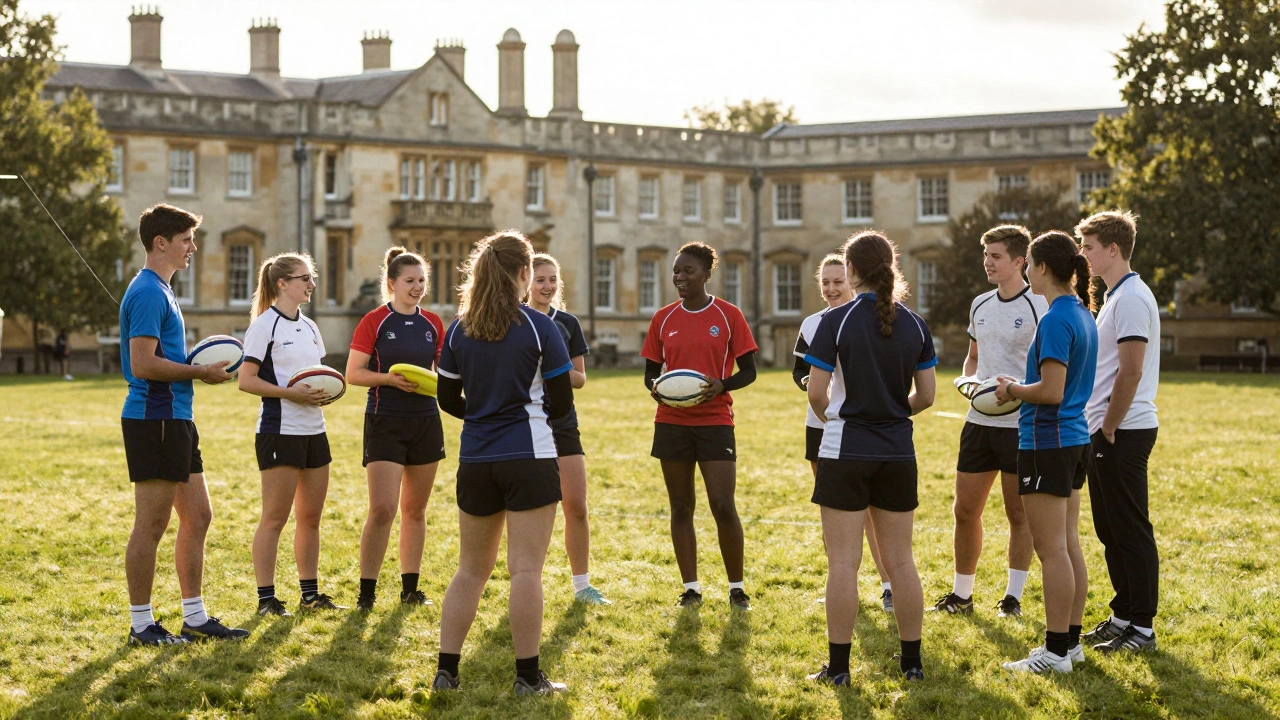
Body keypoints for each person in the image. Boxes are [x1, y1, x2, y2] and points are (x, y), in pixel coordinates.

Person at [431, 231, 574, 696]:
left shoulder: (458, 328)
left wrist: (483, 416)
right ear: (524, 273)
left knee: (470, 570)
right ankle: (528, 678)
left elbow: (448, 397)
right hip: (529, 456)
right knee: (526, 570)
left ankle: (446, 672)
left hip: (476, 458)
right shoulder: (538, 326)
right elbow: (561, 400)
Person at [803, 231, 936, 684]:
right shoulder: (916, 324)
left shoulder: (834, 321)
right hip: (898, 451)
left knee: (843, 562)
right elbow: (928, 396)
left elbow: (816, 393)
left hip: (846, 450)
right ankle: (912, 665)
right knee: (901, 561)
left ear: (852, 270)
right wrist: (894, 413)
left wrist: (840, 417)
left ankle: (838, 670)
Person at [119, 203, 246, 645]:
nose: (193, 247)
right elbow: (143, 363)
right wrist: (200, 372)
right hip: (154, 419)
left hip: (177, 419)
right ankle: (141, 625)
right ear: (161, 243)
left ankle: (194, 617)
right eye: (187, 239)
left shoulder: (162, 289)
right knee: (150, 526)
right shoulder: (150, 292)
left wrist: (196, 373)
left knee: (198, 516)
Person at [995, 230, 1098, 673]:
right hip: (1074, 439)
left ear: (1040, 268)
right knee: (1068, 544)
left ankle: (1056, 653)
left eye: (1030, 264)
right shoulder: (1080, 312)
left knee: (1052, 549)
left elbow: (1052, 391)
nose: (1028, 271)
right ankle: (1069, 644)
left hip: (1048, 441)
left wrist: (1010, 389)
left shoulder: (1056, 318)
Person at [931, 226, 1046, 618]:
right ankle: (962, 595)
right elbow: (973, 359)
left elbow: (1049, 370)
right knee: (965, 511)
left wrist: (1016, 389)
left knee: (1019, 515)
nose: (988, 262)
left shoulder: (1039, 306)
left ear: (1020, 261)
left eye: (996, 256)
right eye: (986, 255)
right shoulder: (980, 304)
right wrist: (969, 383)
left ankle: (1012, 598)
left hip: (1021, 424)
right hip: (979, 423)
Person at [642, 242, 758, 610]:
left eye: (688, 271)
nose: (680, 277)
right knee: (680, 507)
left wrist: (723, 385)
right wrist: (659, 392)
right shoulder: (663, 319)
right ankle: (691, 589)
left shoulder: (728, 315)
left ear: (707, 274)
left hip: (715, 422)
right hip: (672, 422)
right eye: (676, 271)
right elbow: (650, 375)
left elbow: (750, 371)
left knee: (723, 505)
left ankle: (736, 588)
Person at [238, 252, 343, 616]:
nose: (312, 284)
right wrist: (291, 394)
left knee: (310, 518)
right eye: (305, 278)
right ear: (282, 283)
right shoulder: (264, 325)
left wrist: (325, 394)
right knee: (275, 518)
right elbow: (246, 381)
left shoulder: (311, 327)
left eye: (311, 278)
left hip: (316, 431)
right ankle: (266, 599)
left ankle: (310, 595)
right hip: (279, 432)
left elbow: (316, 377)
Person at [1076, 211, 1162, 654]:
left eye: (1089, 247)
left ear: (1113, 249)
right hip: (1107, 429)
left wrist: (1108, 425)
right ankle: (1123, 616)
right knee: (1111, 528)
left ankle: (1142, 630)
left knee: (1129, 527)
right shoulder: (1116, 296)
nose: (1083, 254)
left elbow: (1131, 371)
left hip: (1123, 430)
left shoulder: (1130, 298)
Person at [346, 247, 446, 612]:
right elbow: (353, 374)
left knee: (415, 510)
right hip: (385, 420)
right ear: (391, 283)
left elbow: (444, 374)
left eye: (422, 280)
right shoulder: (374, 320)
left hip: (426, 421)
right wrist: (387, 379)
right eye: (410, 281)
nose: (417, 286)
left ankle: (410, 589)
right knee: (383, 509)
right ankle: (366, 594)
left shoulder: (434, 323)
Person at [793, 253, 894, 612]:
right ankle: (841, 584)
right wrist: (813, 384)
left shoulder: (869, 320)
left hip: (859, 427)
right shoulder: (812, 323)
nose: (832, 288)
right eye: (825, 282)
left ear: (851, 279)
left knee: (869, 513)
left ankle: (888, 586)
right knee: (831, 511)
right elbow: (799, 374)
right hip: (820, 427)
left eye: (838, 281)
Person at [526, 252, 610, 605]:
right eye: (540, 279)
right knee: (531, 510)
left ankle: (582, 586)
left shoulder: (567, 323)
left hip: (562, 423)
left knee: (576, 505)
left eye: (552, 280)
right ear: (525, 281)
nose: (547, 286)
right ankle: (528, 582)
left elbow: (579, 378)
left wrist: (552, 367)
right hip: (526, 425)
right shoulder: (515, 320)